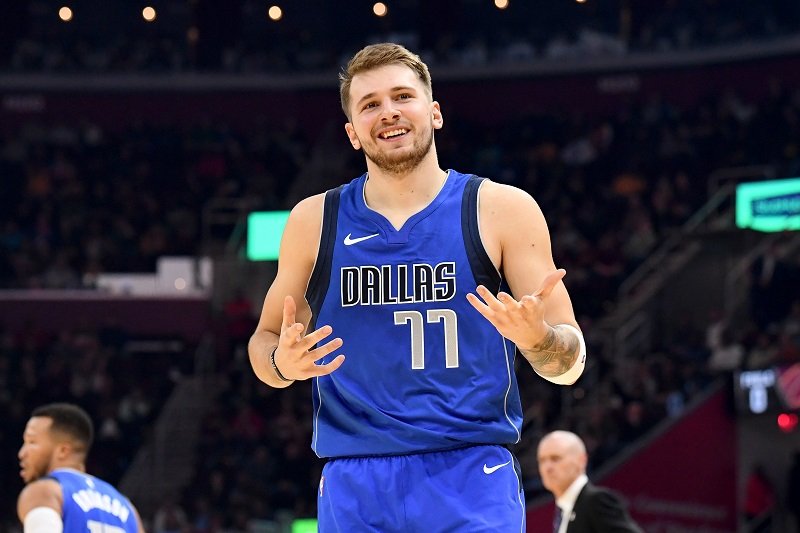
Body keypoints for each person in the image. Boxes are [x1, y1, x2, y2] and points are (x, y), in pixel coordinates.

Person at [248, 42, 586, 531]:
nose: (388, 112)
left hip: (470, 472)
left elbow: (571, 365)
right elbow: (263, 345)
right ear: (352, 134)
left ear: (434, 112)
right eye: (370, 104)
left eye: (402, 96)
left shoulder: (502, 210)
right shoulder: (313, 220)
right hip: (355, 480)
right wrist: (283, 362)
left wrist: (539, 341)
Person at [17, 402, 145, 533]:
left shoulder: (45, 491)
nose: (22, 453)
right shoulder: (128, 509)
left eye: (32, 442)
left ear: (63, 451)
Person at [537, 430, 643, 533]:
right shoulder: (563, 511)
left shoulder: (595, 501)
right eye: (542, 460)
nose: (547, 467)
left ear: (582, 460)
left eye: (555, 458)